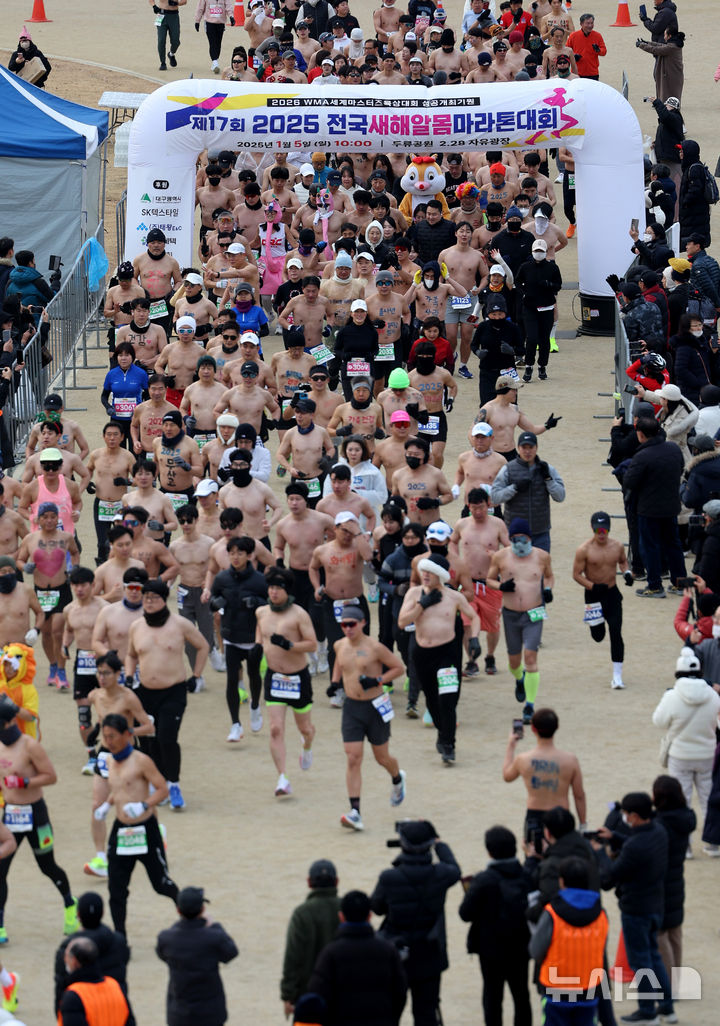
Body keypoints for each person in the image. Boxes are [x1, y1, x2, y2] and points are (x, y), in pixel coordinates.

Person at [0, 694, 78, 943]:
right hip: (11, 816)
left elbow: (51, 776)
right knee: (1, 870)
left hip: (36, 815)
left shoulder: (29, 745)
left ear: (7, 722)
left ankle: (69, 904)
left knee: (48, 866)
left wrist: (25, 782)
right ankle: (0, 924)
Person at [125, 579, 209, 810]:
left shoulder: (180, 624)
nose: (149, 602)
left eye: (155, 598)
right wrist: (130, 676)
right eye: (146, 598)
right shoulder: (136, 627)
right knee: (148, 741)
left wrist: (197, 675)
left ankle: (173, 784)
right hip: (144, 692)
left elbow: (203, 646)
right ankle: (156, 783)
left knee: (167, 738)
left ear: (164, 600)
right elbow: (131, 654)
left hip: (173, 691)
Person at [592, 792, 675, 1024]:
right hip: (656, 905)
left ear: (635, 816)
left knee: (640, 961)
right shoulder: (659, 831)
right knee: (653, 956)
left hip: (636, 909)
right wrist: (615, 836)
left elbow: (608, 878)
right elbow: (635, 843)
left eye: (627, 815)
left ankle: (647, 1011)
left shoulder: (635, 847)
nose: (625, 818)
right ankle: (667, 1006)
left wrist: (600, 853)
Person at [371, 820, 461, 1026]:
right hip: (429, 954)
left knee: (389, 1013)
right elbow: (455, 868)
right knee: (426, 1013)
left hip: (396, 952)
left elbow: (376, 907)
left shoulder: (389, 877)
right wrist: (440, 844)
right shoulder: (441, 874)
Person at [98, 713, 179, 937]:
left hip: (145, 829)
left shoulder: (141, 761)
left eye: (113, 736)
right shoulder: (110, 760)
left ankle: (189, 913)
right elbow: (119, 788)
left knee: (161, 884)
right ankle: (120, 937)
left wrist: (145, 805)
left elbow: (163, 789)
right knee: (116, 889)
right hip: (121, 830)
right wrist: (107, 805)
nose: (109, 742)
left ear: (126, 734)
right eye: (105, 737)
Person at [398, 554, 480, 763]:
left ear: (441, 575)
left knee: (448, 700)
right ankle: (443, 735)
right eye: (423, 571)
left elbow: (473, 616)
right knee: (433, 702)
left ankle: (448, 744)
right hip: (423, 653)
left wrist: (475, 639)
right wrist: (422, 605)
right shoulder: (414, 593)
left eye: (430, 572)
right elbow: (402, 622)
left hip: (447, 654)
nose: (425, 575)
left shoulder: (453, 597)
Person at [330, 605, 406, 830]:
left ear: (363, 623)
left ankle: (397, 778)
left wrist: (378, 680)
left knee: (382, 757)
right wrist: (335, 683)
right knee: (353, 757)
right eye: (344, 625)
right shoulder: (339, 645)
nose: (348, 629)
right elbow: (339, 663)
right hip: (352, 708)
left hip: (375, 707)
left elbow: (399, 668)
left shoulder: (375, 648)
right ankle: (355, 811)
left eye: (352, 624)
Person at [459, 825, 532, 1026]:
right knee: (521, 994)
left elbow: (465, 914)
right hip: (520, 944)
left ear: (489, 851)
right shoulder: (526, 875)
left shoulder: (483, 880)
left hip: (490, 948)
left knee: (492, 995)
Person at [254, 567, 316, 797]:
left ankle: (308, 744)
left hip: (297, 677)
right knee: (275, 728)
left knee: (305, 728)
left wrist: (290, 645)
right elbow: (260, 634)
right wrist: (258, 647)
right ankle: (282, 777)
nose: (274, 592)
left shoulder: (299, 614)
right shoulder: (261, 612)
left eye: (278, 588)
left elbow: (312, 644)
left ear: (287, 590)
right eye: (271, 588)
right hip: (274, 677)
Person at [529, 857, 610, 1026]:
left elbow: (535, 950)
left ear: (561, 881)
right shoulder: (601, 914)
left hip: (556, 989)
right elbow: (601, 948)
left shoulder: (551, 913)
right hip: (588, 989)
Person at [307, 889, 407, 1026]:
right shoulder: (388, 951)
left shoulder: (331, 953)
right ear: (369, 916)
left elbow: (317, 994)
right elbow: (400, 992)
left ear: (341, 917)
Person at [652, 647, 720, 824]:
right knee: (708, 799)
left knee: (681, 800)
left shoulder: (672, 696)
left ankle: (685, 846)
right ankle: (711, 843)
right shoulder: (713, 696)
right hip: (707, 754)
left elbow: (658, 721)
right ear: (700, 672)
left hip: (680, 755)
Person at [210, 536, 268, 741]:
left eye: (240, 553)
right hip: (230, 636)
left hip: (253, 637)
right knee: (232, 680)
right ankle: (235, 724)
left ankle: (254, 707)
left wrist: (256, 601)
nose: (235, 557)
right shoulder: (222, 578)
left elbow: (269, 604)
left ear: (249, 555)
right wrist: (216, 602)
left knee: (254, 676)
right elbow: (212, 600)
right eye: (232, 553)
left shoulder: (260, 580)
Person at [503, 707, 587, 850]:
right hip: (562, 816)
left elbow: (507, 776)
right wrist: (583, 824)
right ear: (557, 727)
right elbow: (579, 795)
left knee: (534, 858)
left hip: (535, 815)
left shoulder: (523, 759)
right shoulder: (570, 760)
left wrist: (511, 746)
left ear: (533, 729)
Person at [622, 416, 686, 597]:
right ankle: (679, 582)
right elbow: (680, 468)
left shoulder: (642, 456)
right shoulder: (673, 449)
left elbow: (629, 481)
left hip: (648, 509)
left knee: (650, 547)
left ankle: (655, 585)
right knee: (673, 545)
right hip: (671, 505)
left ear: (640, 435)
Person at [156, 885, 238, 1026]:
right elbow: (231, 952)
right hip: (210, 1013)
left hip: (179, 1014)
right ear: (203, 909)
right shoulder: (213, 937)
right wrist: (214, 925)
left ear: (178, 910)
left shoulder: (167, 938)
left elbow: (162, 954)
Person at [572, 511, 634, 690]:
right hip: (593, 595)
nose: (601, 533)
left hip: (612, 593)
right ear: (592, 529)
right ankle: (596, 629)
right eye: (598, 530)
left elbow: (623, 562)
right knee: (598, 636)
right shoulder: (584, 550)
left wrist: (627, 573)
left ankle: (617, 675)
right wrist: (591, 586)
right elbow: (576, 574)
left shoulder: (617, 546)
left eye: (604, 530)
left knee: (616, 631)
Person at [280, 859, 341, 1020]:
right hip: (343, 996)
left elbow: (293, 957)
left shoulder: (302, 913)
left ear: (309, 882)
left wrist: (288, 994)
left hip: (308, 997)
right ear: (336, 882)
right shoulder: (347, 908)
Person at [54, 891, 131, 1017]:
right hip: (116, 1008)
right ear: (103, 913)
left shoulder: (69, 948)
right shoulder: (119, 942)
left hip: (83, 1010)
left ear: (78, 915)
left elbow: (61, 987)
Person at [652, 775, 696, 977]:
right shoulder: (685, 817)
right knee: (675, 933)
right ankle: (676, 979)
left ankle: (669, 984)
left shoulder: (661, 824)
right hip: (677, 880)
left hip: (661, 883)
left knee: (660, 934)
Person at [491, 430, 565, 551]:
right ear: (518, 448)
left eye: (531, 447)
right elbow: (495, 497)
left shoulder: (547, 468)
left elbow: (560, 496)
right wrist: (514, 488)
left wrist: (548, 479)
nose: (527, 451)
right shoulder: (508, 469)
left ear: (536, 448)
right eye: (524, 447)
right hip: (515, 533)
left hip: (541, 533)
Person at [524, 806, 601, 922]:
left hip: (565, 926)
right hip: (592, 919)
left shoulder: (551, 865)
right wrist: (548, 854)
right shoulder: (588, 850)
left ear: (548, 833)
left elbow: (546, 902)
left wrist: (531, 859)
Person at [57, 937, 131, 1026]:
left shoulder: (73, 996)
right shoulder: (115, 986)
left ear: (74, 961)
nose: (65, 959)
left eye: (66, 956)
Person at [679, 140, 711, 250]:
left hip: (694, 214)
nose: (680, 153)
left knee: (694, 242)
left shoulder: (694, 169)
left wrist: (685, 203)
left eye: (682, 151)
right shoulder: (691, 166)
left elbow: (695, 189)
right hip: (694, 214)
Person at [152, 0, 188, 72]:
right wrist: (154, 6)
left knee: (176, 41)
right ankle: (163, 62)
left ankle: (171, 54)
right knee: (161, 40)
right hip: (161, 15)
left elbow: (184, 1)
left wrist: (177, 3)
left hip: (174, 16)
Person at [567, 13, 606, 79]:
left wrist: (598, 50)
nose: (590, 25)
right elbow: (567, 51)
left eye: (592, 23)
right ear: (581, 24)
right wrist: (573, 56)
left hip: (593, 72)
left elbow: (604, 51)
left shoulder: (597, 36)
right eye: (587, 23)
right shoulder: (573, 36)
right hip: (577, 73)